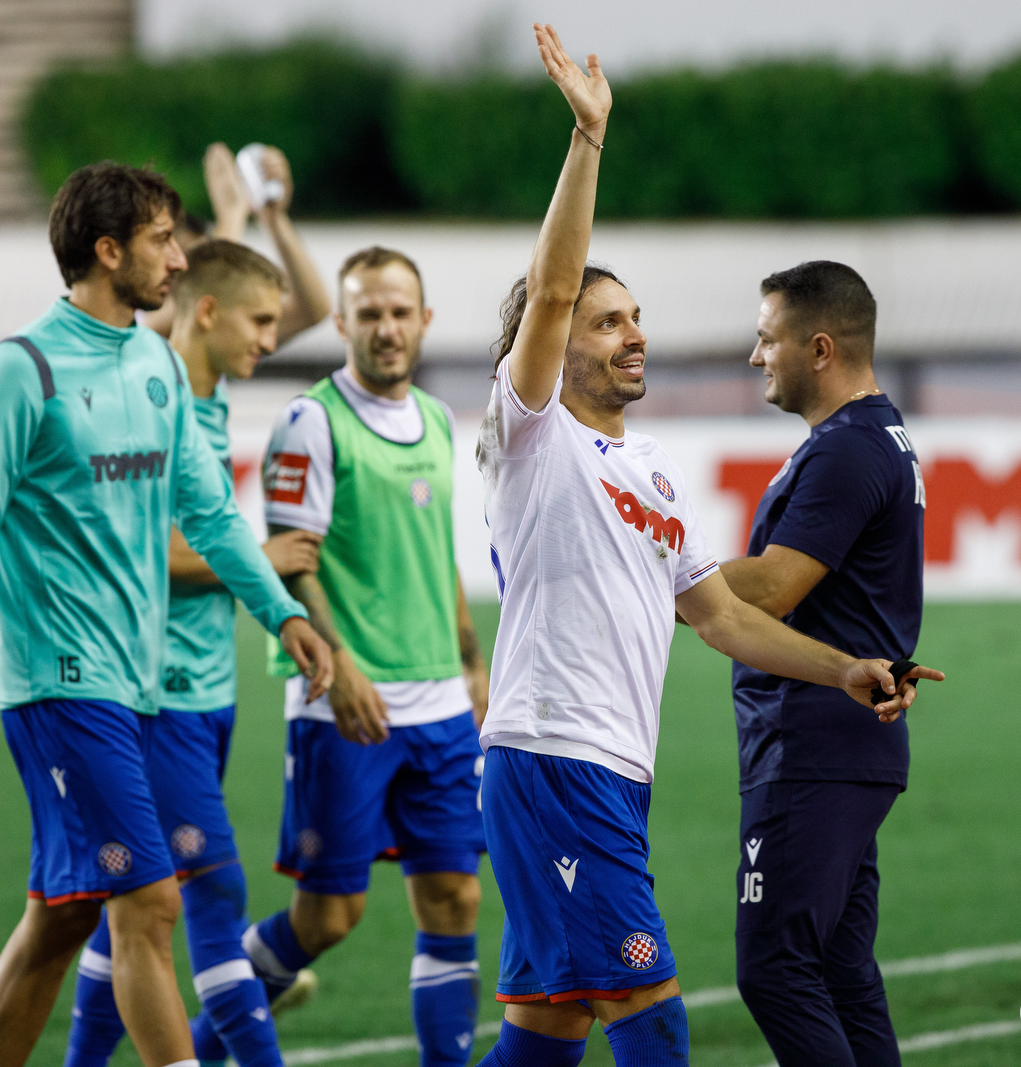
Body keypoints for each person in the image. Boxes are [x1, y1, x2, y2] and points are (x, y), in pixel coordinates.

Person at [470, 26, 942, 1067]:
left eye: (635, 317)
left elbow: (724, 615)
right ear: (548, 346)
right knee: (653, 1016)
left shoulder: (651, 478)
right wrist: (587, 139)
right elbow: (547, 292)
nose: (630, 333)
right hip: (551, 753)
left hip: (610, 770)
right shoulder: (529, 431)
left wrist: (848, 667)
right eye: (605, 322)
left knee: (544, 1035)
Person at [0, 162, 334, 1067]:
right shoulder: (15, 372)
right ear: (107, 251)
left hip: (137, 690)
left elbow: (212, 513)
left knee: (63, 919)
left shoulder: (152, 363)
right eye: (160, 240)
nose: (180, 261)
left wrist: (279, 614)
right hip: (60, 685)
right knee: (151, 904)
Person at [61, 237, 329, 1067]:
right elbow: (140, 549)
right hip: (159, 690)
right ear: (204, 313)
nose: (272, 340)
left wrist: (267, 215)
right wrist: (259, 562)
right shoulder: (155, 390)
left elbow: (301, 305)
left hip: (209, 688)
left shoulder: (203, 392)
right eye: (257, 322)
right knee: (212, 890)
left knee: (136, 904)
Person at [239, 245, 492, 1067]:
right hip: (345, 703)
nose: (387, 328)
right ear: (342, 321)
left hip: (441, 708)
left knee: (454, 896)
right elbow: (291, 554)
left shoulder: (438, 418)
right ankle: (211, 1030)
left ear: (424, 321)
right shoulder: (311, 420)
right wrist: (338, 663)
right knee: (330, 916)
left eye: (400, 312)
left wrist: (470, 659)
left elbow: (438, 552)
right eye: (369, 313)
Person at [719, 261, 928, 1067]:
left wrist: (647, 564)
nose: (754, 355)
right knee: (838, 968)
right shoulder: (871, 436)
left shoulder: (846, 449)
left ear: (819, 347)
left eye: (767, 338)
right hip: (844, 746)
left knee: (774, 969)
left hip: (810, 746)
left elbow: (772, 587)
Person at [142, 141, 324, 342]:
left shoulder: (215, 323)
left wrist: (273, 217)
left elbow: (310, 312)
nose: (180, 264)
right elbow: (159, 323)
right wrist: (232, 216)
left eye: (192, 257)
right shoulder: (131, 320)